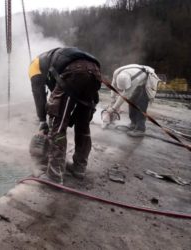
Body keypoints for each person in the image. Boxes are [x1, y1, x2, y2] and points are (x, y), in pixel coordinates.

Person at [29, 47, 102, 184]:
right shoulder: (57, 59)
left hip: (74, 72)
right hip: (95, 72)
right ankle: (79, 168)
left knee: (58, 125)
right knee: (83, 125)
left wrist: (42, 120)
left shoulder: (34, 66)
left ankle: (54, 176)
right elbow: (90, 99)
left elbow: (38, 93)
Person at [104, 64, 161, 137]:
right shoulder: (116, 73)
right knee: (131, 101)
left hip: (148, 80)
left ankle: (140, 129)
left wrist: (113, 109)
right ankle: (133, 124)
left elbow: (124, 96)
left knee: (141, 104)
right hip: (137, 76)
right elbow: (113, 87)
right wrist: (112, 101)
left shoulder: (135, 80)